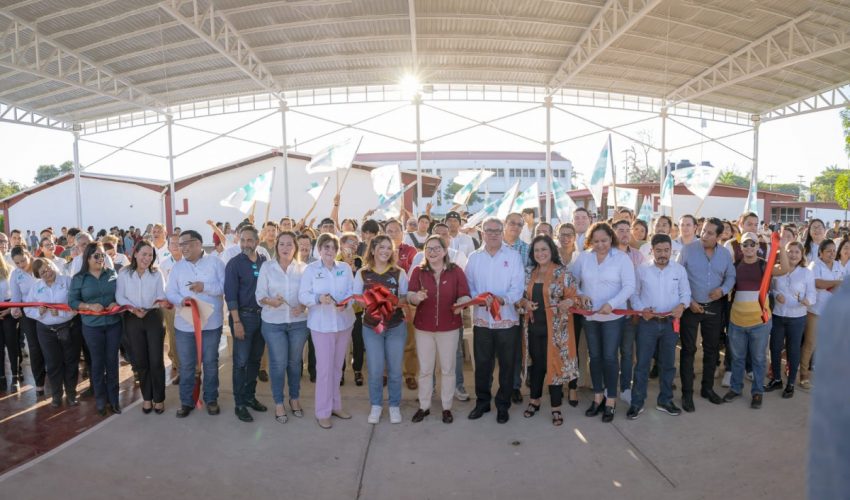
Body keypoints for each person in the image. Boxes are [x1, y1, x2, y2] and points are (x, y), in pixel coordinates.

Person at [572, 222, 636, 422]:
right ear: (590, 241)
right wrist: (580, 295)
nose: (600, 245)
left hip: (612, 317)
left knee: (609, 357)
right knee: (595, 356)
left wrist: (612, 303)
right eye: (596, 241)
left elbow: (629, 286)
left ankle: (611, 399)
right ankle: (597, 395)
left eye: (604, 240)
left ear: (611, 239)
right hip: (590, 316)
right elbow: (572, 281)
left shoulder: (621, 258)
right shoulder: (584, 258)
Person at [464, 217, 524, 424]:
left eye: (497, 230)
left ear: (502, 232)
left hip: (507, 321)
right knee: (482, 365)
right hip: (482, 320)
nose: (493, 234)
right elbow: (468, 285)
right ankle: (482, 402)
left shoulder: (513, 256)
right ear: (482, 233)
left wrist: (502, 299)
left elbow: (518, 287)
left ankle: (503, 405)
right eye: (488, 230)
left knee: (507, 365)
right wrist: (480, 299)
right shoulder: (473, 258)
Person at [721, 232, 790, 409]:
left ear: (757, 246)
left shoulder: (764, 266)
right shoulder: (734, 266)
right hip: (737, 320)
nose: (749, 247)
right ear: (741, 248)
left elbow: (784, 269)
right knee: (737, 358)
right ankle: (736, 389)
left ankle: (757, 392)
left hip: (760, 322)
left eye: (752, 244)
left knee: (759, 359)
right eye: (745, 244)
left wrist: (781, 247)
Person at [408, 235, 470, 424]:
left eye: (437, 248)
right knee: (426, 370)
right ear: (424, 251)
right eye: (429, 248)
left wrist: (462, 303)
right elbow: (410, 295)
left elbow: (465, 295)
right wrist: (416, 297)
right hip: (423, 327)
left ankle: (446, 407)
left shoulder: (456, 271)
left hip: (449, 327)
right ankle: (424, 406)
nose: (432, 252)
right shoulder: (418, 272)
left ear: (444, 251)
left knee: (448, 369)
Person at [518, 235, 579, 426]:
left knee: (554, 366)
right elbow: (518, 299)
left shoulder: (563, 273)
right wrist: (524, 303)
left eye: (544, 249)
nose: (540, 253)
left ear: (551, 250)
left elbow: (575, 298)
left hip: (557, 331)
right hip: (533, 328)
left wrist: (568, 302)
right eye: (536, 250)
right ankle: (534, 400)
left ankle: (555, 407)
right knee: (536, 365)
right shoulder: (529, 272)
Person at [166, 230, 226, 418]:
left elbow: (225, 288)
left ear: (199, 244)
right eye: (180, 245)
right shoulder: (177, 268)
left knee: (210, 362)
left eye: (186, 244)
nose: (183, 248)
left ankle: (211, 399)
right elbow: (170, 292)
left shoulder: (216, 263)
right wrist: (181, 300)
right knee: (187, 365)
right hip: (185, 325)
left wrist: (204, 287)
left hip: (210, 324)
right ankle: (187, 401)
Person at [628, 234, 689, 419]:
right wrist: (641, 309)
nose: (663, 254)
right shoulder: (642, 270)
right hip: (648, 324)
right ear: (652, 250)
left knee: (668, 365)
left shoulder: (679, 270)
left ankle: (665, 400)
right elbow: (634, 294)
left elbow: (685, 292)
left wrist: (681, 306)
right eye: (659, 250)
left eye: (666, 250)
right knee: (642, 365)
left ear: (671, 250)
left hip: (670, 324)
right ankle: (637, 403)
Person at [298, 233, 355, 429]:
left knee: (338, 367)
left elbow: (351, 293)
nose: (329, 251)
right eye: (326, 247)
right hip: (321, 326)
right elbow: (303, 295)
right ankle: (322, 411)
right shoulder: (311, 270)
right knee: (324, 370)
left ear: (337, 250)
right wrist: (317, 299)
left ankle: (335, 406)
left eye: (333, 247)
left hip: (343, 323)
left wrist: (345, 304)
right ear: (319, 249)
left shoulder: (345, 268)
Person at [353, 235, 409, 424]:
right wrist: (372, 301)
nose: (385, 251)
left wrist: (390, 302)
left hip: (395, 326)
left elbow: (404, 299)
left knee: (394, 369)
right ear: (373, 249)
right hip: (371, 327)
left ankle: (394, 406)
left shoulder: (399, 273)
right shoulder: (362, 273)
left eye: (388, 248)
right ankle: (376, 405)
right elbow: (356, 299)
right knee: (375, 369)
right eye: (381, 247)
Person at [256, 231, 308, 423]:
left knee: (295, 364)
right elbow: (259, 294)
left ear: (295, 247)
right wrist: (270, 301)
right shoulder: (267, 267)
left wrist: (303, 306)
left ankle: (294, 399)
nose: (285, 248)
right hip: (273, 324)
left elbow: (309, 294)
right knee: (278, 364)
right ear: (276, 247)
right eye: (282, 244)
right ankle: (279, 402)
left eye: (289, 245)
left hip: (298, 324)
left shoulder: (303, 268)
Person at [68, 242, 122, 416]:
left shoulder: (112, 273)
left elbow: (121, 294)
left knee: (112, 362)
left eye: (102, 255)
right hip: (92, 327)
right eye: (96, 256)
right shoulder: (79, 278)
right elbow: (72, 301)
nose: (100, 259)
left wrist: (117, 302)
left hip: (113, 324)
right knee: (97, 363)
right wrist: (89, 306)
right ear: (88, 258)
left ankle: (114, 400)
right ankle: (100, 400)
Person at [116, 240, 168, 414]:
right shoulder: (124, 273)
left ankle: (159, 398)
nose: (147, 258)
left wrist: (150, 306)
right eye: (144, 254)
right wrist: (133, 308)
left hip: (153, 316)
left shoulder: (156, 273)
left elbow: (161, 295)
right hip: (133, 318)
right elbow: (120, 296)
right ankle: (147, 397)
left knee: (156, 360)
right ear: (135, 253)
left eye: (150, 255)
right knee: (141, 360)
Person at [224, 225, 269, 423]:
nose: (245, 244)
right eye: (242, 240)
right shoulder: (234, 264)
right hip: (242, 317)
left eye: (249, 240)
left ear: (257, 242)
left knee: (254, 361)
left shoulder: (264, 262)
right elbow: (230, 295)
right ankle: (239, 404)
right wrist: (236, 321)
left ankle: (250, 397)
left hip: (263, 317)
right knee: (240, 363)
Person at [25, 259, 79, 407]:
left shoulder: (67, 281)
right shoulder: (36, 287)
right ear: (38, 276)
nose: (47, 272)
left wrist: (61, 312)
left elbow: (76, 305)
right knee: (53, 364)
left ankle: (72, 394)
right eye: (42, 272)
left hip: (68, 327)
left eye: (48, 268)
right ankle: (56, 396)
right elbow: (27, 309)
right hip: (46, 331)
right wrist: (39, 312)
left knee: (71, 362)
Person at [766, 241, 816, 399]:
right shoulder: (777, 270)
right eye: (790, 251)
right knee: (774, 348)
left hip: (797, 317)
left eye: (796, 252)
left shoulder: (806, 272)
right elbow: (770, 289)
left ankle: (791, 384)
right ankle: (777, 379)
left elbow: (812, 294)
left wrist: (808, 301)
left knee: (793, 351)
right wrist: (775, 294)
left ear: (801, 255)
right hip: (778, 315)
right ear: (783, 253)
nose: (793, 255)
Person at [801, 239, 843, 389]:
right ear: (821, 253)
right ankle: (804, 375)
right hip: (815, 311)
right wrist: (836, 283)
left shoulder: (838, 265)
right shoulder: (815, 265)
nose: (832, 253)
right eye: (828, 251)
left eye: (834, 251)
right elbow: (817, 283)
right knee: (810, 343)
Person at [613, 218, 645, 404]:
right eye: (620, 230)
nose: (624, 233)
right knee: (609, 353)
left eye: (627, 230)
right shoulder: (607, 254)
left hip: (630, 313)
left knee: (626, 351)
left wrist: (637, 310)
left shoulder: (638, 256)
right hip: (609, 312)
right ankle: (608, 386)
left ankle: (625, 387)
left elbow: (640, 285)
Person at [9, 246, 45, 396]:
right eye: (17, 263)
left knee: (50, 346)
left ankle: (57, 378)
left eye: (23, 260)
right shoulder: (15, 275)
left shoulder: (42, 265)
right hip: (28, 315)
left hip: (47, 312)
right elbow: (16, 298)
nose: (21, 265)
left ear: (29, 255)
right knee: (34, 347)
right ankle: (39, 383)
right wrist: (14, 309)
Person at [159, 234, 183, 384]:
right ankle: (179, 366)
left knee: (188, 336)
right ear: (168, 247)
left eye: (178, 243)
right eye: (172, 243)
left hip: (187, 305)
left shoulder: (189, 262)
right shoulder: (164, 264)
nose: (175, 246)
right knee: (173, 335)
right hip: (171, 306)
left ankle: (193, 367)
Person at [0, 249, 20, 393]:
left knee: (12, 345)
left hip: (9, 309)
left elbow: (15, 293)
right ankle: (1, 378)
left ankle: (15, 376)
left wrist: (9, 310)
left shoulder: (10, 270)